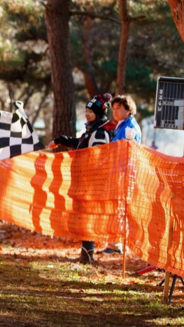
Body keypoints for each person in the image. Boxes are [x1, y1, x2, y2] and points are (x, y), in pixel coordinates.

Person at [48, 93, 116, 264]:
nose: (87, 114)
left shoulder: (100, 133)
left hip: (92, 183)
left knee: (88, 217)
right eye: (86, 111)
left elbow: (96, 158)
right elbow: (81, 143)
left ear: (99, 114)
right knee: (84, 217)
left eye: (90, 112)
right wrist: (62, 140)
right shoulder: (92, 130)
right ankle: (86, 254)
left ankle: (87, 255)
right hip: (86, 181)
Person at [98, 94, 142, 255]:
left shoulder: (130, 127)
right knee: (114, 207)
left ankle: (116, 245)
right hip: (116, 173)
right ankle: (113, 243)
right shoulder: (121, 125)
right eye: (114, 108)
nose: (115, 112)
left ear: (128, 110)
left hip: (123, 174)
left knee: (119, 208)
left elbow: (124, 151)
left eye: (119, 108)